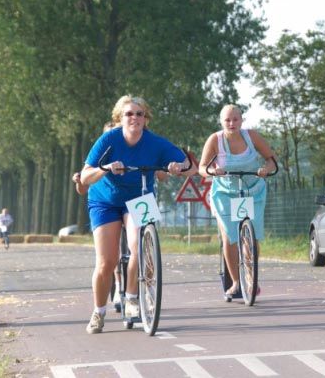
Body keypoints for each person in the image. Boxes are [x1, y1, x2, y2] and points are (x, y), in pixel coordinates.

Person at [80, 95, 195, 334]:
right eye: (128, 114)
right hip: (105, 201)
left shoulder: (156, 143)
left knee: (141, 247)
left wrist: (178, 168)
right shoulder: (108, 140)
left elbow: (190, 167)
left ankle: (132, 297)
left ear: (146, 118)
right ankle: (98, 311)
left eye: (139, 114)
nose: (134, 118)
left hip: (140, 197)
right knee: (106, 261)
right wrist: (105, 168)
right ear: (119, 118)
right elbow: (84, 177)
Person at [198, 104, 277, 298]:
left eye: (235, 119)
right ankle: (235, 282)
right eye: (227, 120)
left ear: (241, 120)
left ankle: (251, 276)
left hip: (252, 190)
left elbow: (272, 160)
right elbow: (201, 167)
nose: (231, 123)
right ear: (221, 121)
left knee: (252, 236)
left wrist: (266, 169)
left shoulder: (252, 136)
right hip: (226, 191)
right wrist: (212, 171)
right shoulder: (215, 140)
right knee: (230, 235)